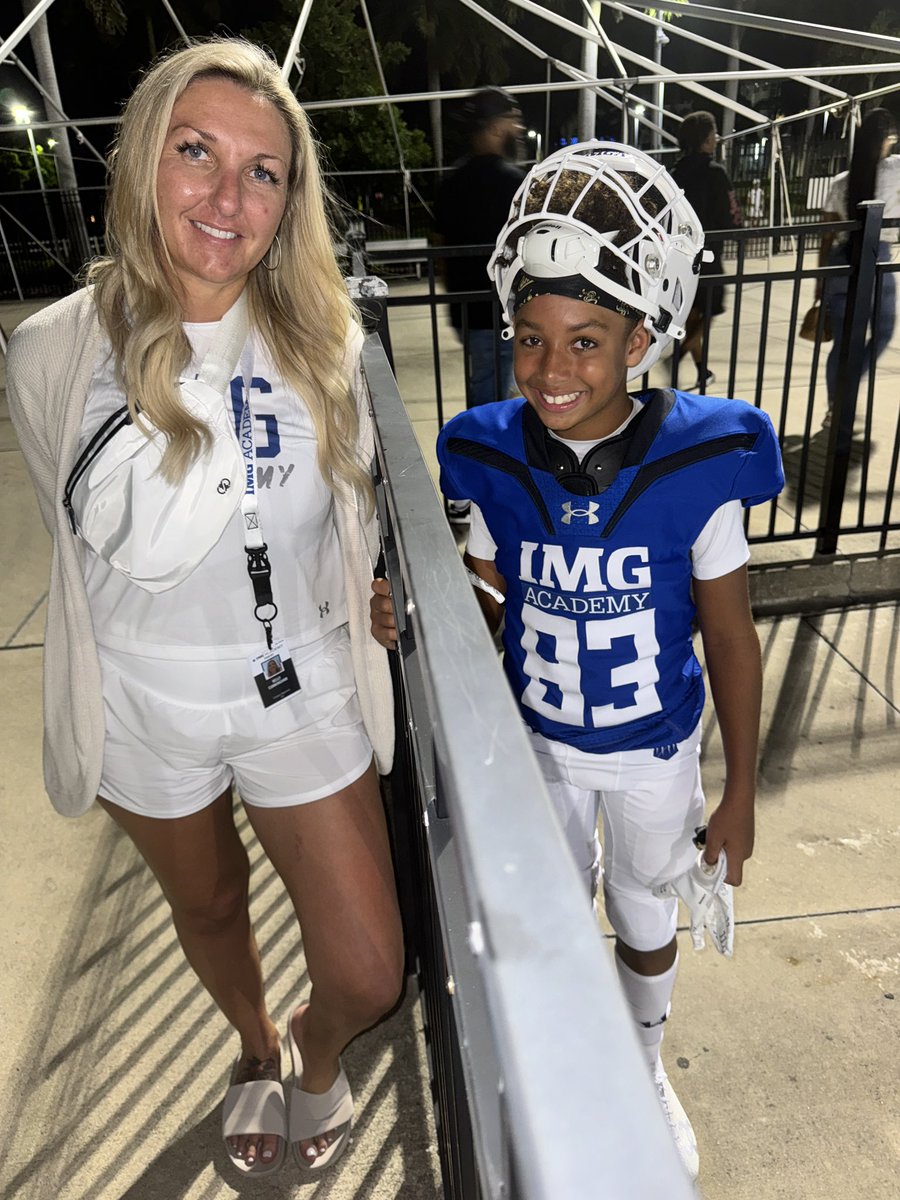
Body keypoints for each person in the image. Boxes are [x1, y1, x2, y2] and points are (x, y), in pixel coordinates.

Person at [7, 38, 403, 1179]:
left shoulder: (326, 336)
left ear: (290, 203)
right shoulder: (55, 350)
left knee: (371, 969)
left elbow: (351, 511)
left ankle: (316, 1050)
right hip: (144, 700)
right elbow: (146, 529)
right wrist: (185, 348)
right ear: (144, 162)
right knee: (214, 904)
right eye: (196, 154)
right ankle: (253, 1042)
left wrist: (376, 593)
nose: (228, 197)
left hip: (301, 685)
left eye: (264, 172)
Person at [372, 141, 783, 1182]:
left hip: (651, 744)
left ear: (644, 337)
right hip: (537, 743)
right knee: (552, 915)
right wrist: (416, 609)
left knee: (645, 909)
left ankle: (643, 1063)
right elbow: (483, 589)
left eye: (587, 342)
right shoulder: (489, 450)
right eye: (531, 340)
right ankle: (568, 1068)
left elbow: (729, 633)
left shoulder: (706, 453)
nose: (553, 371)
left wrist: (738, 790)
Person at [434, 87, 526, 523]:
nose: (516, 128)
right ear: (494, 127)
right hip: (505, 309)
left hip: (471, 309)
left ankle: (468, 489)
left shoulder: (452, 181)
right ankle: (469, 489)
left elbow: (441, 246)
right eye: (511, 119)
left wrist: (453, 300)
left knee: (487, 398)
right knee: (493, 408)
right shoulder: (512, 181)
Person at [816, 107, 899, 426]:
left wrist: (820, 279)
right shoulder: (896, 168)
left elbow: (827, 235)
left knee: (843, 341)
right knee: (883, 332)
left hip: (840, 262)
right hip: (877, 256)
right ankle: (846, 394)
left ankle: (836, 404)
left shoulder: (841, 181)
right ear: (884, 139)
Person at [670, 111, 742, 392]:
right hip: (709, 255)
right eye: (712, 135)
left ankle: (702, 371)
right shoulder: (715, 173)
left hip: (680, 257)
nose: (715, 140)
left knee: (691, 314)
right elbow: (731, 214)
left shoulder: (675, 175)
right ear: (704, 139)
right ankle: (676, 357)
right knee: (711, 309)